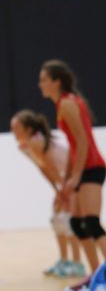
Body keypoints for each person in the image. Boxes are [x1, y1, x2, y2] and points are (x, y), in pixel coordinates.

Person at [38, 60, 106, 273]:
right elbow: (74, 147)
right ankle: (96, 274)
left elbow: (83, 142)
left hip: (93, 168)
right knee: (77, 224)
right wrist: (66, 181)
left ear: (56, 82)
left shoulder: (67, 104)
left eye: (44, 80)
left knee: (91, 223)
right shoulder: (63, 104)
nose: (40, 84)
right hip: (84, 169)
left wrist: (76, 176)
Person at [10, 110, 86, 278]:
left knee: (68, 220)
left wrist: (63, 190)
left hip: (73, 177)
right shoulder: (24, 147)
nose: (12, 131)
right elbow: (43, 168)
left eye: (16, 128)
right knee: (57, 219)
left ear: (29, 129)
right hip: (63, 181)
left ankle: (77, 263)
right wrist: (57, 190)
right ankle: (64, 261)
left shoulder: (36, 142)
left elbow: (50, 166)